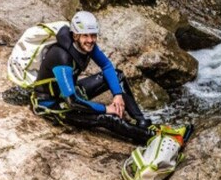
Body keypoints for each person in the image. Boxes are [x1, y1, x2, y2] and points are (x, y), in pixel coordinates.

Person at [31, 11, 190, 146]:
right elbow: (72, 101)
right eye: (86, 35)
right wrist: (107, 109)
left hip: (70, 92)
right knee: (109, 119)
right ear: (75, 35)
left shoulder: (86, 45)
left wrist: (117, 95)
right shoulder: (62, 57)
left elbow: (107, 67)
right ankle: (154, 140)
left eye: (93, 35)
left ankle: (142, 122)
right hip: (55, 105)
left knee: (118, 76)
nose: (90, 40)